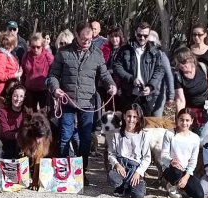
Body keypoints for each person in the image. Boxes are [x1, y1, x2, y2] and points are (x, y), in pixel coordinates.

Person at [47, 21, 117, 181]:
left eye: (90, 39)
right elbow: (53, 75)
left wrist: (111, 85)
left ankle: (81, 172)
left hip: (87, 103)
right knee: (65, 136)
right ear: (76, 35)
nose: (87, 42)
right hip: (67, 101)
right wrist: (55, 88)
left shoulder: (97, 54)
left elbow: (105, 75)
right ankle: (62, 173)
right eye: (84, 39)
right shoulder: (63, 53)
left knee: (86, 139)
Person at [114, 22, 165, 116]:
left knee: (145, 125)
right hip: (128, 93)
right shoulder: (125, 49)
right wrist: (131, 79)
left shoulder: (155, 51)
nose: (142, 38)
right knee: (127, 122)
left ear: (149, 35)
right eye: (139, 35)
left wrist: (151, 86)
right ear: (135, 33)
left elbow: (160, 70)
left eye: (145, 36)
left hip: (147, 95)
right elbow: (117, 67)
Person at [107, 105, 150, 198]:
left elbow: (147, 157)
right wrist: (117, 165)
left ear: (138, 118)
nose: (131, 119)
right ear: (124, 116)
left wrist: (138, 172)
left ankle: (133, 184)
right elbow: (111, 153)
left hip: (134, 168)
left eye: (135, 117)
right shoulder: (116, 133)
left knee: (138, 196)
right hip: (121, 166)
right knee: (112, 177)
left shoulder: (144, 135)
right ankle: (122, 185)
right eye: (129, 116)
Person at [160, 109, 205, 198]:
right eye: (181, 119)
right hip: (171, 169)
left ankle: (181, 186)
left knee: (199, 196)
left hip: (184, 170)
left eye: (187, 120)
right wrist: (171, 161)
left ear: (192, 121)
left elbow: (193, 160)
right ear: (177, 119)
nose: (184, 123)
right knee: (176, 172)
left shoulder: (195, 138)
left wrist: (186, 176)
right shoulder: (169, 133)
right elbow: (163, 155)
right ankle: (171, 187)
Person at [173, 47, 208, 137]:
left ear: (191, 59)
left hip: (205, 111)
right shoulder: (178, 76)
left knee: (202, 139)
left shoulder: (202, 68)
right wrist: (180, 118)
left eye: (183, 62)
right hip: (189, 112)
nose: (181, 65)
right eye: (178, 62)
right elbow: (180, 100)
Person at [0, 83, 27, 159]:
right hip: (8, 143)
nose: (18, 99)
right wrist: (17, 135)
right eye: (15, 96)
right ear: (11, 96)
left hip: (24, 143)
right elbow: (5, 132)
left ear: (24, 98)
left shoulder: (26, 112)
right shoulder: (3, 112)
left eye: (21, 96)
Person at [21, 33, 54, 112]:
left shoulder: (48, 56)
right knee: (30, 113)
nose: (35, 49)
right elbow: (22, 70)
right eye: (33, 47)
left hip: (43, 90)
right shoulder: (26, 55)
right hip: (29, 89)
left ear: (42, 46)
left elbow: (54, 71)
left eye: (38, 47)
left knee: (44, 114)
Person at [149, 30, 174, 116]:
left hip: (158, 95)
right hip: (145, 94)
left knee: (156, 122)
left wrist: (171, 96)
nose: (149, 45)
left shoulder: (162, 56)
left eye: (151, 43)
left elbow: (169, 76)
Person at [0, 32, 22, 97]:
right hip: (1, 90)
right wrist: (14, 75)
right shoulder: (2, 56)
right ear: (11, 44)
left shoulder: (7, 54)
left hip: (7, 87)